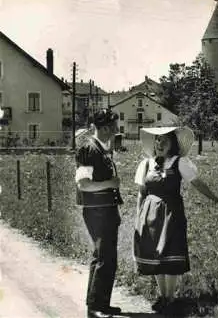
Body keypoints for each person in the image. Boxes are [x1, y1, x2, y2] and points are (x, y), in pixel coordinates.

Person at [133, 126, 218, 314]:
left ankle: (171, 298)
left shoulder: (180, 162)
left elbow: (197, 183)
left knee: (170, 253)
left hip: (171, 214)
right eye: (158, 140)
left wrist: (217, 199)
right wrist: (138, 217)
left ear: (173, 145)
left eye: (165, 141)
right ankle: (163, 297)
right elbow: (141, 194)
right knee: (155, 256)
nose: (160, 144)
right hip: (150, 215)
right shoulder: (146, 164)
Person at [75, 109, 123, 318]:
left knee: (105, 257)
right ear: (103, 128)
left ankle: (100, 303)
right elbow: (83, 185)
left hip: (106, 209)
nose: (115, 131)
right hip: (97, 211)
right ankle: (94, 308)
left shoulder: (102, 148)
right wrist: (109, 184)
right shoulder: (88, 149)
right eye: (113, 127)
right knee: (104, 257)